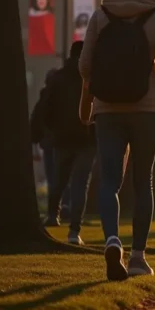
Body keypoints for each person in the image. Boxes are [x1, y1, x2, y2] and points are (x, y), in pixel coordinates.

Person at [79, 0, 155, 281]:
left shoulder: (101, 15)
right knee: (143, 181)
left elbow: (85, 64)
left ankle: (112, 240)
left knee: (109, 180)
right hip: (146, 108)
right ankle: (138, 256)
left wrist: (87, 100)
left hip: (107, 109)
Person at [44, 41, 97, 245]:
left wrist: (54, 129)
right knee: (79, 184)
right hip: (86, 138)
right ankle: (75, 230)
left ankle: (52, 214)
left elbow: (47, 108)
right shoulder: (91, 76)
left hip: (63, 138)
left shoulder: (58, 78)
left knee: (59, 180)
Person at [31, 68, 62, 226]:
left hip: (49, 143)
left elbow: (36, 120)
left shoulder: (44, 97)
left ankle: (53, 212)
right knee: (66, 177)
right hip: (63, 142)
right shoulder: (63, 96)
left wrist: (35, 142)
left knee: (52, 178)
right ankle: (65, 207)